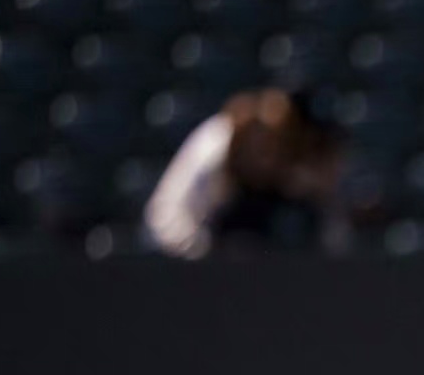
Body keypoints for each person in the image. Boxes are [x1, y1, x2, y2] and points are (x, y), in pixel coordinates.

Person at [143, 86, 344, 258]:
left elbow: (331, 231)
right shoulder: (217, 142)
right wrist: (208, 252)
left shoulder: (294, 162)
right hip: (188, 266)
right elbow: (166, 219)